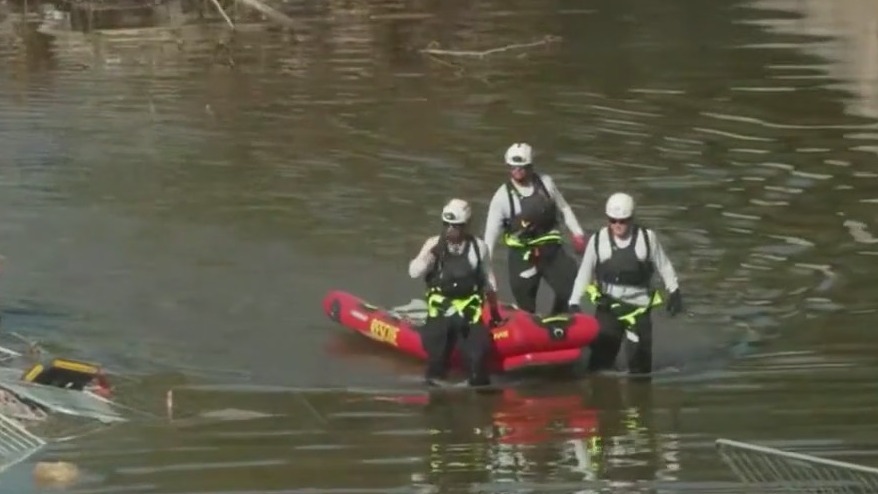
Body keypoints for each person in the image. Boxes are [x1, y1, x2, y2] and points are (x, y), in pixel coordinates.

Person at [568, 192, 684, 375]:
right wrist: (573, 302)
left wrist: (674, 290)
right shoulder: (598, 241)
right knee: (599, 365)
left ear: (631, 219)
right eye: (613, 221)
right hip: (609, 308)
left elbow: (665, 266)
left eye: (623, 221)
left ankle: (639, 400)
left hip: (639, 309)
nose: (617, 226)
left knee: (641, 370)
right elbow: (584, 273)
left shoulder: (647, 239)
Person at [483, 143, 587, 315]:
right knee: (527, 306)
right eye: (512, 167)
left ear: (530, 166)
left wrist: (577, 233)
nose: (516, 171)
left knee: (569, 288)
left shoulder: (546, 184)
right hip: (522, 257)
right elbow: (490, 236)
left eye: (521, 167)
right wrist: (487, 268)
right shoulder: (502, 198)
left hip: (551, 251)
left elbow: (564, 208)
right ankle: (531, 330)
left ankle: (558, 320)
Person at [409, 198, 503, 387]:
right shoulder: (433, 244)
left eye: (456, 226)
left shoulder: (479, 248)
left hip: (469, 313)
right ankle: (435, 390)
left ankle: (477, 391)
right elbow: (414, 272)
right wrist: (432, 254)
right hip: (440, 312)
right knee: (436, 360)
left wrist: (494, 312)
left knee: (478, 359)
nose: (450, 229)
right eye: (447, 225)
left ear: (466, 225)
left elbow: (489, 281)